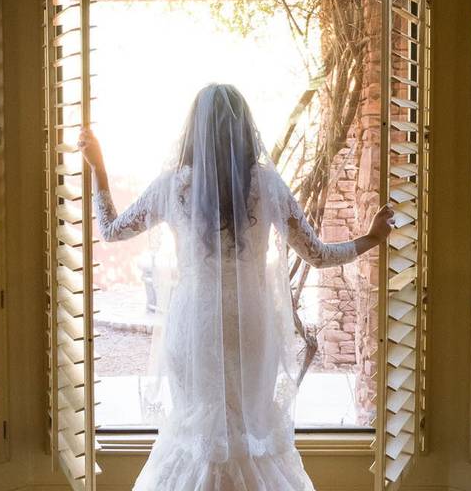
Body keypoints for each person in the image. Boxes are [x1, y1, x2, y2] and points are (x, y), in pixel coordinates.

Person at [78, 83, 393, 491]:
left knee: (198, 431)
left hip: (195, 323)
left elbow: (111, 229)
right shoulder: (266, 186)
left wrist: (98, 167)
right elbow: (316, 253)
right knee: (250, 430)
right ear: (245, 131)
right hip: (250, 324)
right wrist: (368, 239)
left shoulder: (174, 186)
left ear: (194, 131)